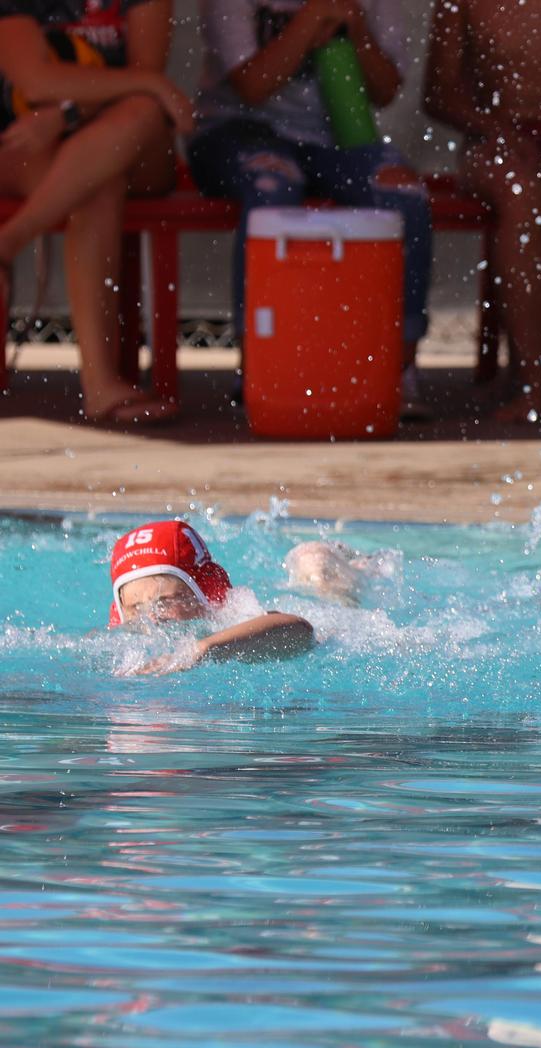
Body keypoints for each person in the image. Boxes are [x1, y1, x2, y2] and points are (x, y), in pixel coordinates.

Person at [186, 0, 431, 414]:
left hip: (335, 139)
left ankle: (398, 367)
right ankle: (260, 363)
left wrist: (355, 26)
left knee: (403, 194)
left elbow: (386, 90)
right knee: (272, 187)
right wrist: (312, 19)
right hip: (235, 131)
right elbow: (253, 86)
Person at [0, 0, 190, 424]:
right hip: (34, 146)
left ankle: (8, 243)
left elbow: (143, 91)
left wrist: (68, 112)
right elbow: (35, 81)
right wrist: (146, 85)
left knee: (138, 116)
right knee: (97, 180)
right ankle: (100, 384)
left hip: (130, 143)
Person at [422, 0, 541, 425]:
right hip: (494, 135)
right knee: (519, 191)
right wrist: (498, 130)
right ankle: (532, 384)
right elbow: (438, 92)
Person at [108, 519, 314, 672]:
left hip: (324, 614)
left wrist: (203, 649)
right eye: (137, 607)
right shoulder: (125, 644)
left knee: (313, 563)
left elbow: (300, 632)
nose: (153, 618)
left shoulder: (228, 617)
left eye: (165, 602)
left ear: (201, 593)